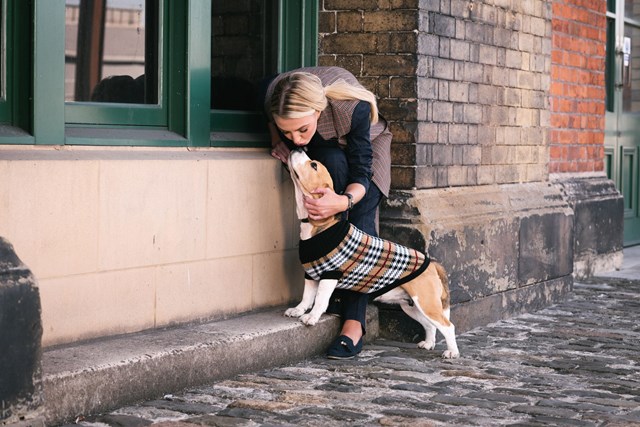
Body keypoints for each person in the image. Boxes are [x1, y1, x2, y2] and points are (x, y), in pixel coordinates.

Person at [263, 66, 392, 359]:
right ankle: (330, 286)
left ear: (318, 111)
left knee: (359, 225)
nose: (295, 139)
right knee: (332, 161)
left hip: (367, 148)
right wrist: (277, 140)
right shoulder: (275, 94)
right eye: (287, 130)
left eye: (301, 129)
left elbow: (361, 171)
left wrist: (343, 202)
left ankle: (353, 323)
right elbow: (270, 111)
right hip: (329, 148)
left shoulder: (353, 109)